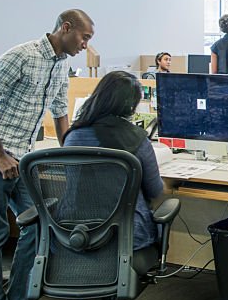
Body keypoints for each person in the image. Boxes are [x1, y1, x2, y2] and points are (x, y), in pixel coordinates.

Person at [0, 9, 94, 300]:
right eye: (84, 37)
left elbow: (61, 115)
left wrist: (73, 157)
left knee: (38, 224)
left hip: (21, 159)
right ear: (66, 28)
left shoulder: (61, 65)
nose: (86, 45)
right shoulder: (21, 56)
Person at [63, 70, 163, 273]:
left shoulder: (73, 136)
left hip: (77, 234)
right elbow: (154, 190)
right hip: (127, 236)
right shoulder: (136, 139)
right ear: (131, 105)